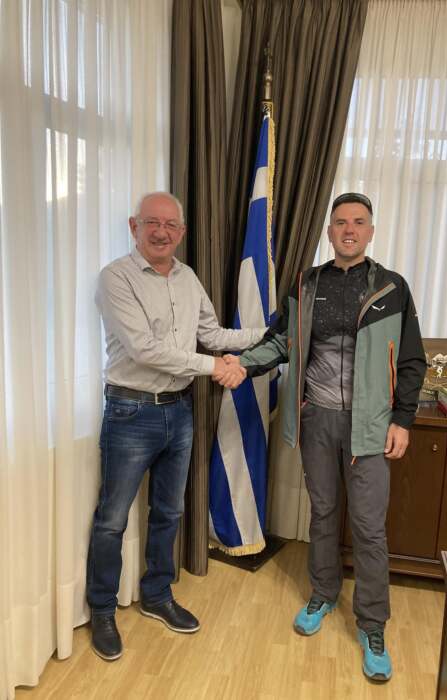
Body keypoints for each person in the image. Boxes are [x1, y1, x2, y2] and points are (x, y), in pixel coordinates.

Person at [224, 193, 426, 682]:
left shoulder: (392, 288)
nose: (348, 229)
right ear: (330, 231)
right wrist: (241, 364)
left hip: (370, 426)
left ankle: (372, 625)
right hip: (318, 419)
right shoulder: (305, 283)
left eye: (358, 222)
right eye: (340, 222)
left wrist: (402, 420)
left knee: (369, 528)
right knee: (323, 513)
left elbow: (412, 360)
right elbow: (280, 341)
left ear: (371, 231)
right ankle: (322, 594)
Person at [87, 192, 264, 661]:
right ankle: (102, 609)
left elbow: (213, 334)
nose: (161, 232)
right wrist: (215, 367)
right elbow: (144, 349)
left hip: (180, 412)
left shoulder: (188, 278)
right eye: (152, 223)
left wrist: (270, 334)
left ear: (182, 232)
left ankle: (157, 595)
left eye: (170, 225)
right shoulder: (115, 278)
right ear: (134, 226)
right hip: (130, 413)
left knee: (169, 512)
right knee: (112, 519)